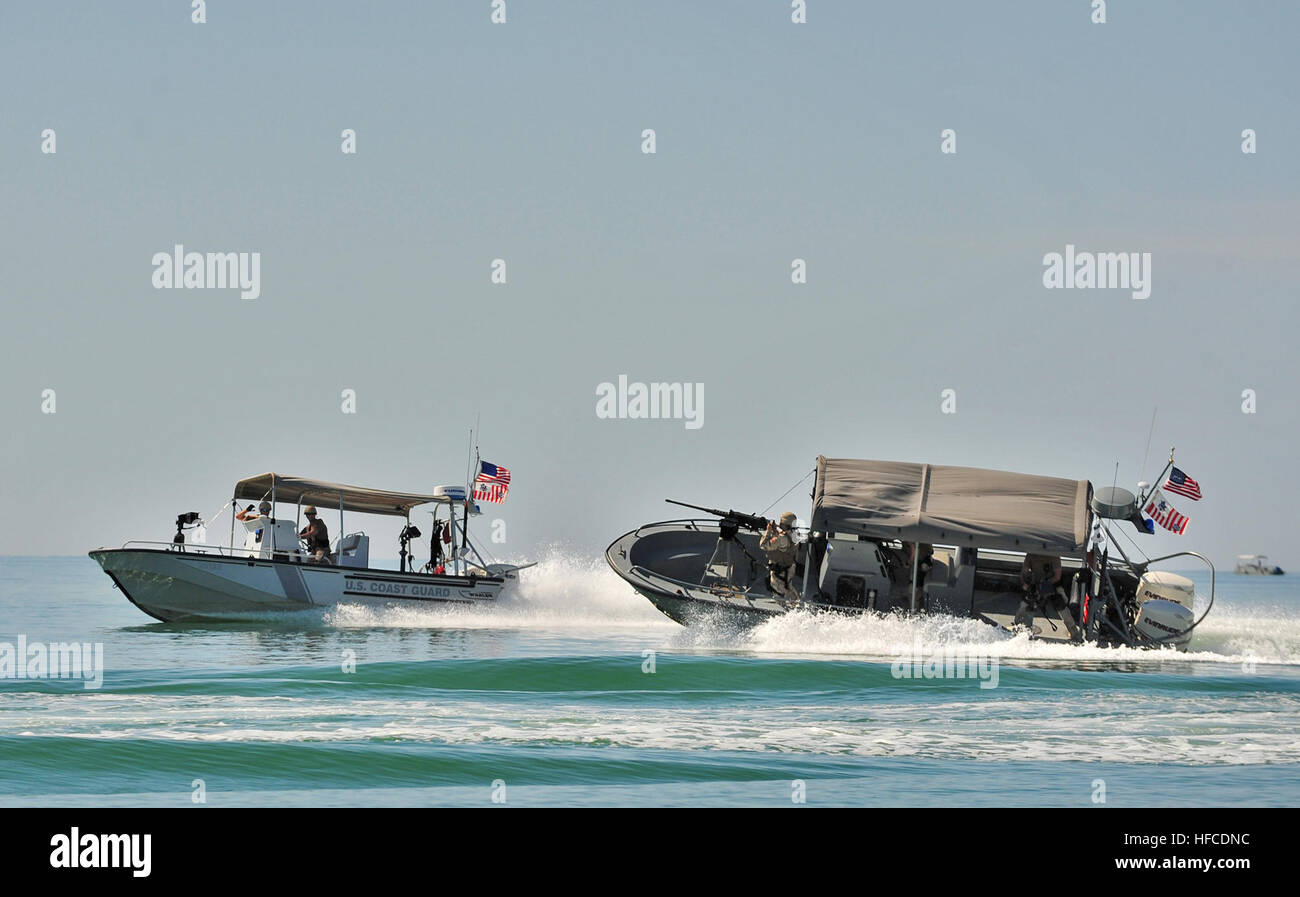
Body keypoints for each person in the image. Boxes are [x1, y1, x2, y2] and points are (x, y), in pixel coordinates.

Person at [1016, 552, 1079, 640]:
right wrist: (1027, 584)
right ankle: (1021, 627)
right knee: (1027, 602)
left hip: (1052, 584)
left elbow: (1057, 576)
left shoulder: (1054, 555)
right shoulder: (1031, 554)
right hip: (1035, 584)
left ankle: (1074, 631)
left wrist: (1045, 585)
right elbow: (1024, 572)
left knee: (1060, 603)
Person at [759, 511, 799, 601]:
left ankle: (785, 610)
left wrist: (768, 531)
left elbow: (763, 545)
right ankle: (796, 605)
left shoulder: (781, 538)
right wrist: (775, 531)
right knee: (788, 588)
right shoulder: (794, 535)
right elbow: (782, 542)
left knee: (779, 592)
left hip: (780, 570)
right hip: (788, 568)